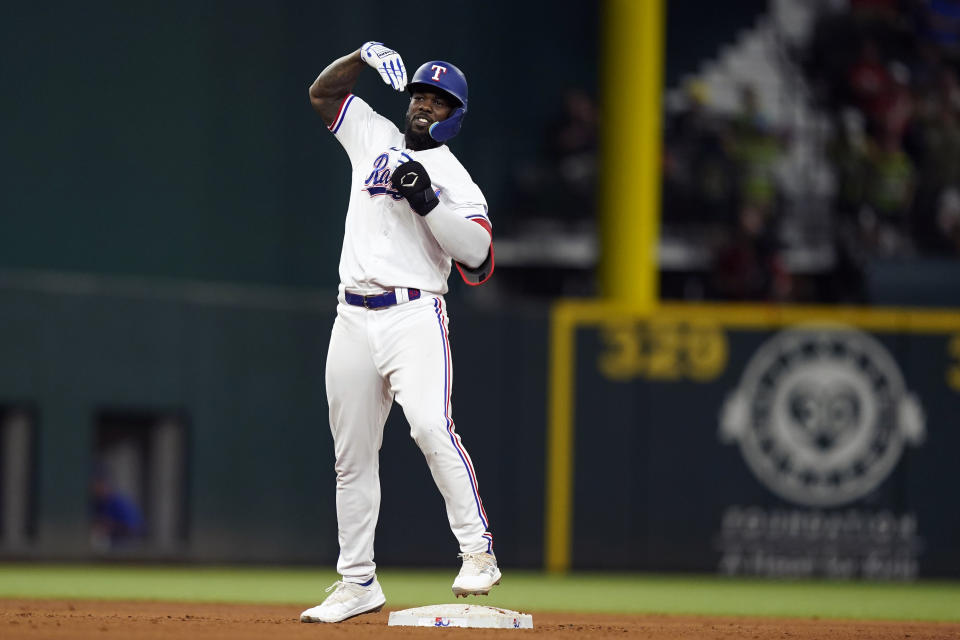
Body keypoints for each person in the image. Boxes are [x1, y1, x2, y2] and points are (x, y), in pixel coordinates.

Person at [299, 42, 499, 624]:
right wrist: (358, 55)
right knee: (351, 457)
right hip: (352, 314)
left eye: (439, 102)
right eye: (420, 94)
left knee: (431, 425)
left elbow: (480, 260)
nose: (424, 106)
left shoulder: (455, 178)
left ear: (454, 116)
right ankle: (357, 581)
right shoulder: (373, 135)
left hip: (414, 313)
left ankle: (477, 552)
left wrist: (428, 201)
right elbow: (322, 94)